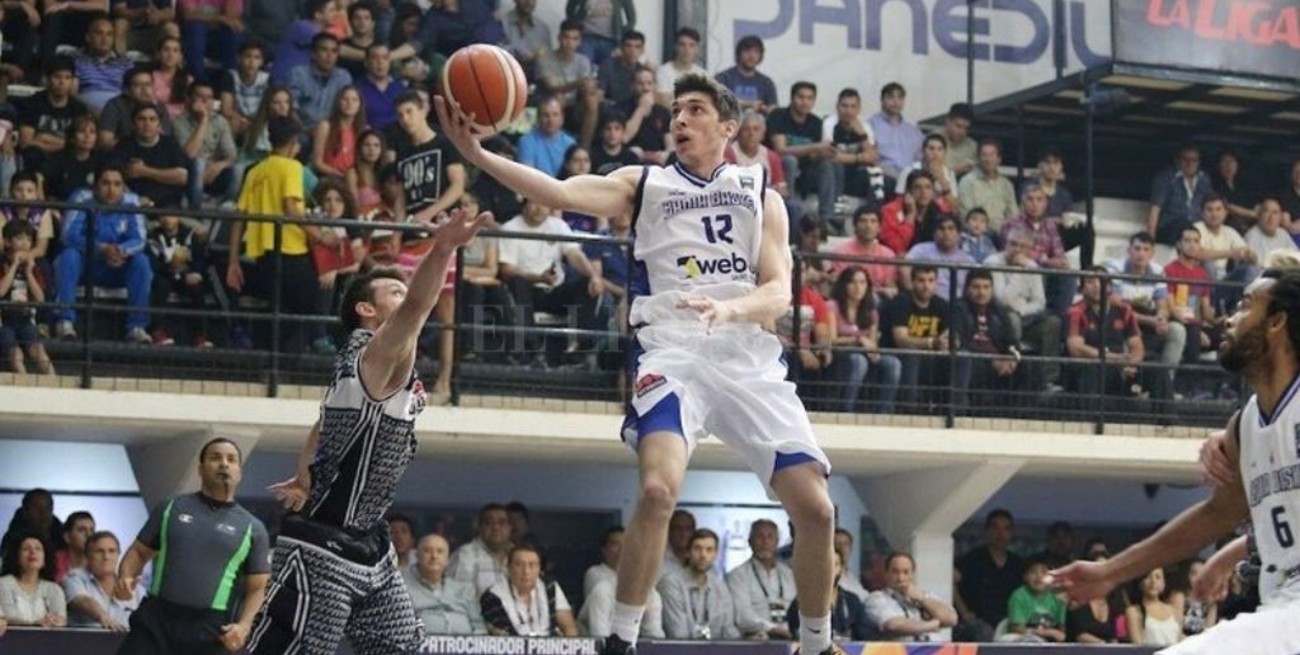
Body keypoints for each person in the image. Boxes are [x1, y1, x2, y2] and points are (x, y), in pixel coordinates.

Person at [433, 72, 841, 655]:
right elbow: (559, 192)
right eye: (676, 111)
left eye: (695, 109)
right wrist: (477, 154)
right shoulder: (644, 183)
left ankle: (818, 644)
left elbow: (778, 292)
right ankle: (621, 641)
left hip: (745, 351)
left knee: (818, 510)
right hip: (673, 348)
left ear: (728, 127)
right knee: (655, 491)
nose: (680, 119)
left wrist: (732, 310)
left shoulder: (761, 194)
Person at [245, 207, 487, 655]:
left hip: (371, 544)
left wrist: (305, 473)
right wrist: (443, 250)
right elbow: (418, 307)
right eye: (394, 289)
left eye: (405, 287)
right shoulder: (373, 355)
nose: (406, 292)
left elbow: (322, 423)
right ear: (366, 310)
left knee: (403, 648)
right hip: (323, 547)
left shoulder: (360, 369)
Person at [1053, 268, 1300, 655]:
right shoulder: (1246, 425)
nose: (1228, 319)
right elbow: (1216, 515)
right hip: (1281, 603)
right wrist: (1108, 572)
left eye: (1244, 306)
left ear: (1276, 322)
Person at [115, 439, 270, 654]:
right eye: (215, 457)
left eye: (231, 459)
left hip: (210, 628)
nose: (224, 464)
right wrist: (125, 576)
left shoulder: (253, 528)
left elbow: (258, 588)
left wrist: (244, 626)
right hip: (156, 619)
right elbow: (139, 552)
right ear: (200, 469)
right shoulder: (171, 508)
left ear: (239, 472)